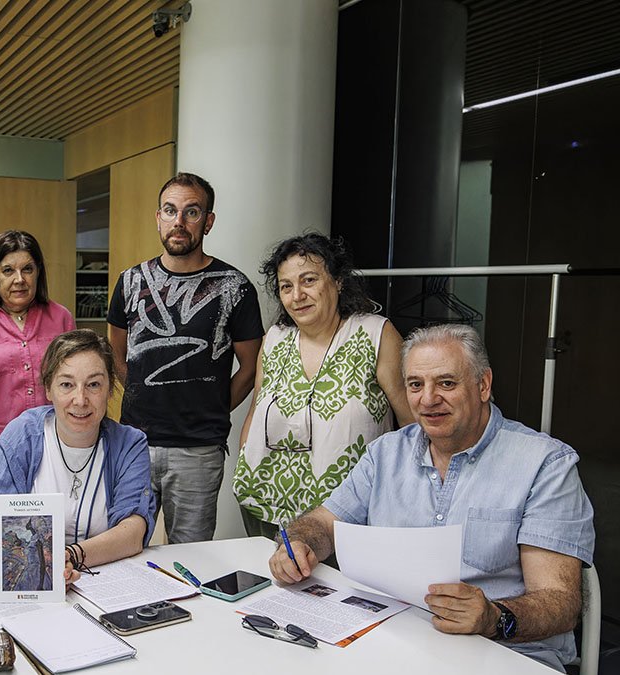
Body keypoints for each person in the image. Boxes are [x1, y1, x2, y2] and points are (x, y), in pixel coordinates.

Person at [268, 324, 594, 672]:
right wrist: (300, 544)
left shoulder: (545, 465)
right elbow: (323, 523)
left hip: (502, 653)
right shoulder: (385, 453)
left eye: (447, 383)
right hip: (394, 639)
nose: (428, 399)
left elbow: (560, 603)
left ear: (483, 385)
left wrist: (493, 618)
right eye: (415, 384)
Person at [106, 172, 263, 544]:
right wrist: (140, 395)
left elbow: (253, 367)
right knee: (122, 547)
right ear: (157, 217)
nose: (179, 221)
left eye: (191, 212)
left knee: (189, 556)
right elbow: (115, 350)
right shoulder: (130, 282)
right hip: (134, 443)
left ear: (207, 221)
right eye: (170, 210)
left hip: (198, 450)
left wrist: (214, 405)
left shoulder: (234, 287)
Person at [233, 233, 412, 538]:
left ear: (338, 281)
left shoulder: (375, 334)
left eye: (309, 280)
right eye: (286, 287)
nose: (297, 295)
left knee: (337, 587)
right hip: (263, 506)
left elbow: (411, 425)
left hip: (345, 514)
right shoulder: (275, 339)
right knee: (272, 585)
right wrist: (243, 460)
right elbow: (255, 411)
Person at [0, 330, 155, 586]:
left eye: (94, 384)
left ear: (110, 389)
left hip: (104, 581)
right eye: (66, 384)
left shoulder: (130, 445)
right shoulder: (23, 436)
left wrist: (68, 557)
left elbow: (133, 531)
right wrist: (3, 554)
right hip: (29, 581)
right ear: (48, 389)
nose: (80, 400)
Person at [0, 230, 76, 508]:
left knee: (50, 538)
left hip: (52, 450)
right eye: (8, 270)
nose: (19, 279)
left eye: (27, 269)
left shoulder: (61, 318)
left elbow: (74, 386)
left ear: (38, 273)